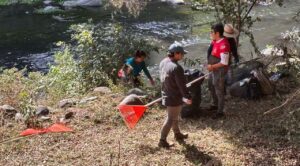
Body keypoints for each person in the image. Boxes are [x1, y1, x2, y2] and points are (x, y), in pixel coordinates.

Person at [158, 42, 192, 148]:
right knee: (170, 118)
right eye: (181, 54)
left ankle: (177, 134)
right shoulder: (176, 67)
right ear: (176, 53)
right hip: (173, 97)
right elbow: (182, 86)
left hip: (166, 93)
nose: (182, 56)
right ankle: (162, 141)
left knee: (174, 117)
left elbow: (166, 78)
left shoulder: (163, 62)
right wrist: (187, 96)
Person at [207, 23, 231, 119]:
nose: (210, 33)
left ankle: (220, 111)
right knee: (211, 85)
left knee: (219, 90)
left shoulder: (224, 45)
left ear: (217, 33)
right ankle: (215, 104)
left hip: (219, 70)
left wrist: (212, 66)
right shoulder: (215, 41)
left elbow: (224, 62)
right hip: (213, 69)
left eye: (212, 32)